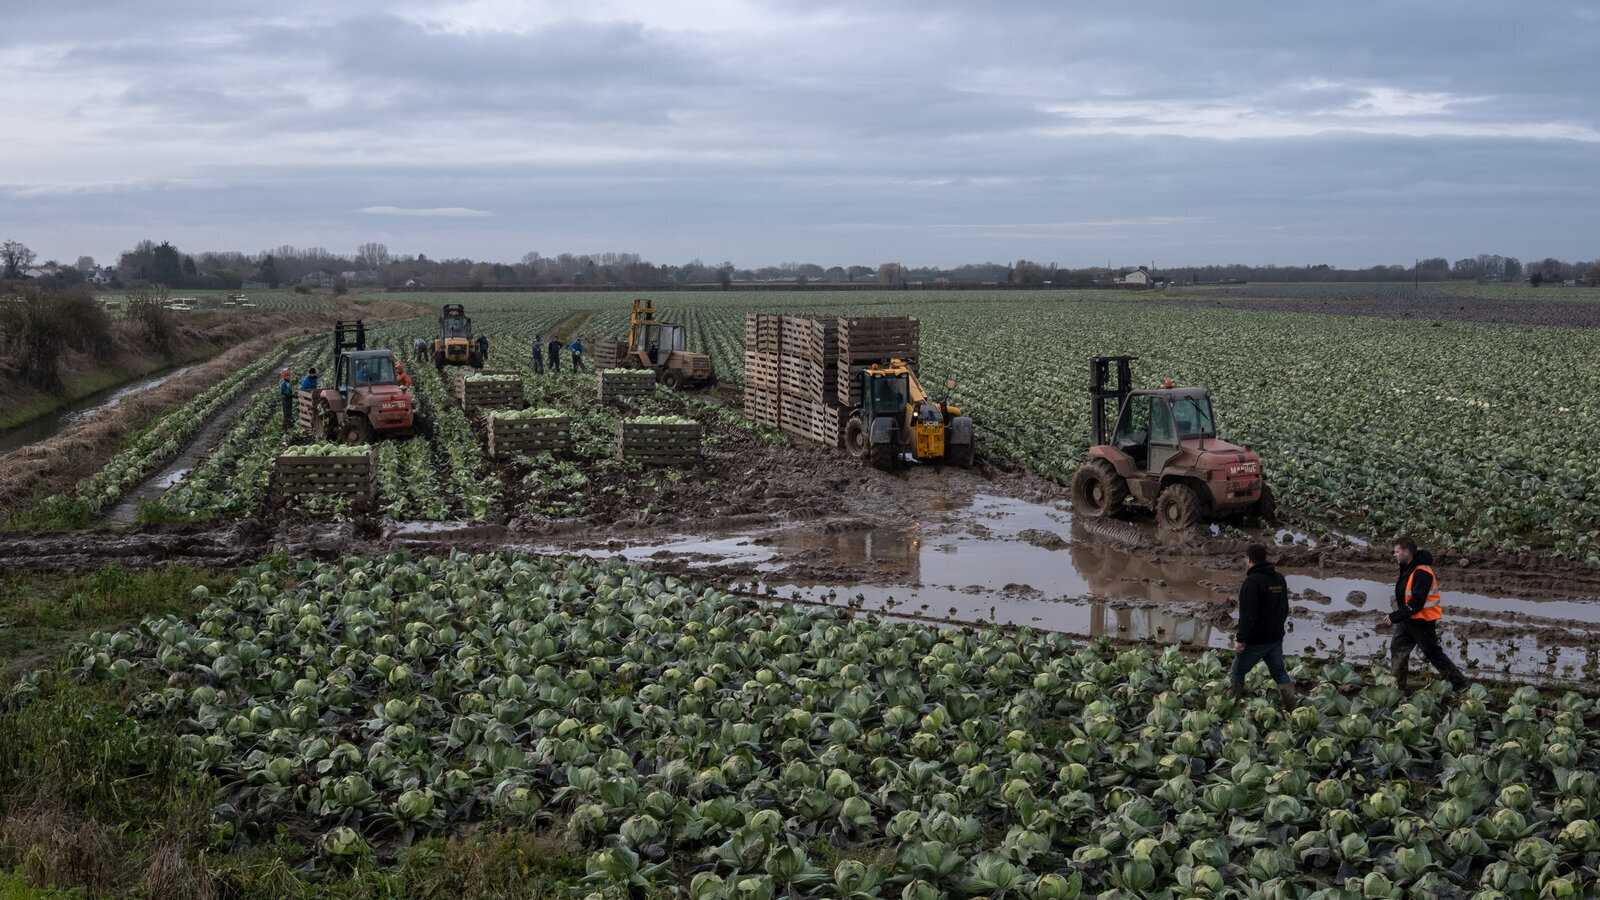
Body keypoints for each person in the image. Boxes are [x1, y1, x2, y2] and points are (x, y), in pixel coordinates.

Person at [1386, 536, 1469, 693]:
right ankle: (1398, 687)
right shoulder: (1407, 566)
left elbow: (1417, 602)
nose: (1394, 554)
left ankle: (1460, 683)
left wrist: (1395, 616)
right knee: (1398, 650)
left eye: (1397, 552)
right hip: (1407, 620)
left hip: (1422, 621)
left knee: (1433, 653)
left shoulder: (1422, 573)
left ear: (1406, 552)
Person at [1228, 543, 1296, 708]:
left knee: (1237, 672)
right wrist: (1278, 629)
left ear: (1249, 559)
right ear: (1264, 559)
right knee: (1279, 673)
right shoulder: (1279, 578)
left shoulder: (1251, 582)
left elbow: (1247, 616)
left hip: (1256, 641)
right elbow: (1284, 608)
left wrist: (1240, 639)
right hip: (1275, 639)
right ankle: (1292, 707)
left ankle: (1230, 706)